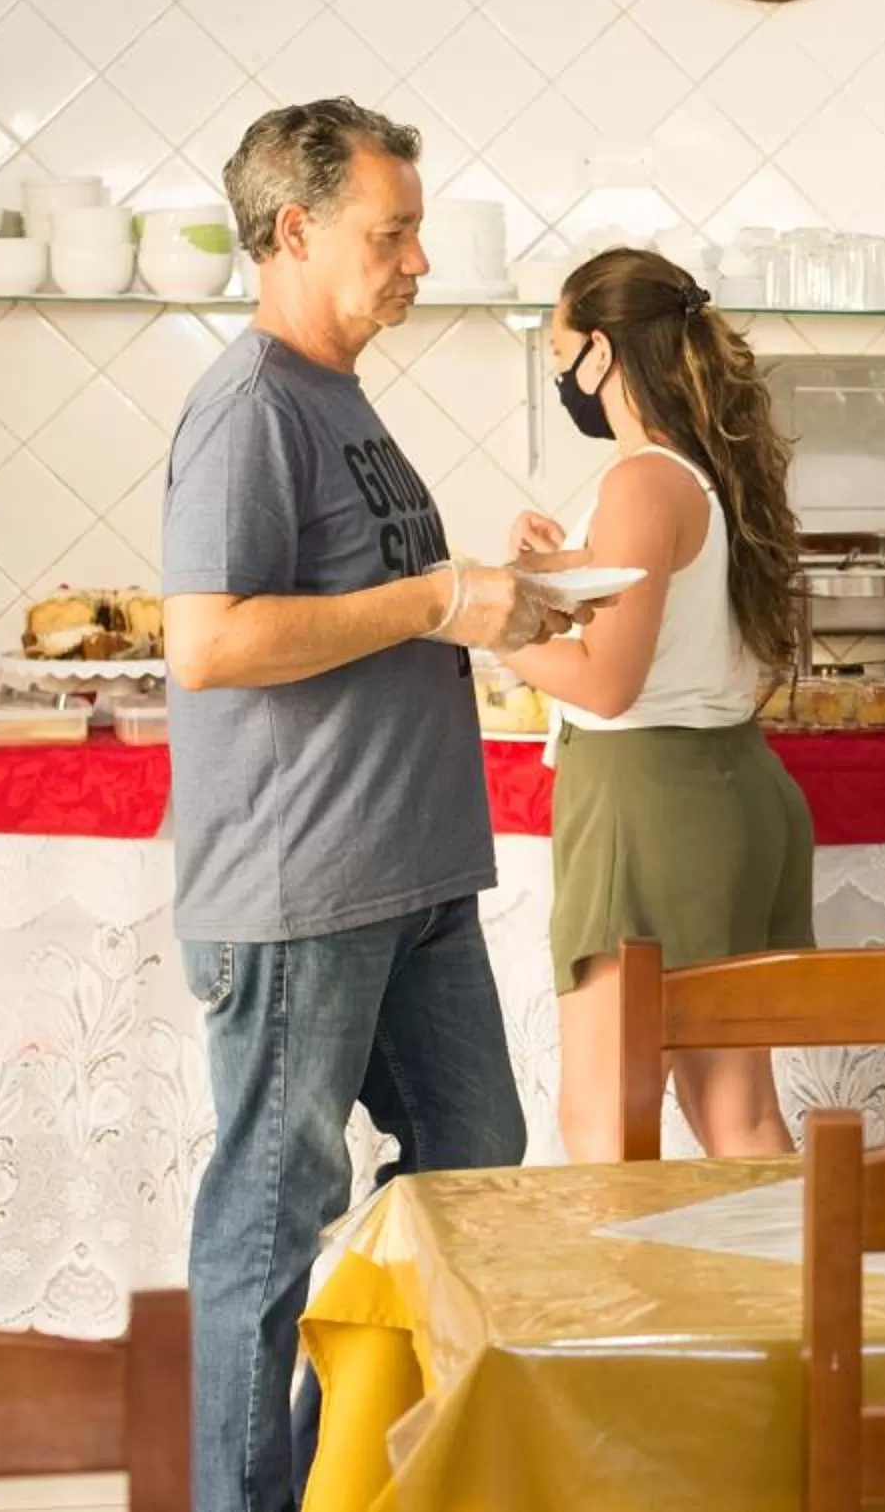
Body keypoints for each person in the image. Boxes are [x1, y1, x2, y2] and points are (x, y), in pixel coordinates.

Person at [163, 98, 572, 1512]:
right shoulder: (251, 407)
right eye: (391, 234)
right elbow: (209, 640)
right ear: (296, 229)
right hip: (303, 888)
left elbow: (373, 602)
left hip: (408, 879)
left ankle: (339, 1465)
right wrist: (441, 599)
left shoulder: (334, 395)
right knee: (268, 1227)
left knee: (474, 1158)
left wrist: (491, 593)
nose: (417, 262)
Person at [498, 248, 813, 1162]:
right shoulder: (705, 468)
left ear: (602, 352)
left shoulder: (639, 480)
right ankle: (803, 1262)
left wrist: (485, 625)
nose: (562, 378)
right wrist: (550, 571)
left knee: (602, 1122)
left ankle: (636, 1281)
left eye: (562, 357)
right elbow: (662, 600)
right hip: (730, 788)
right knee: (738, 1114)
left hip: (642, 800)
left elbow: (607, 682)